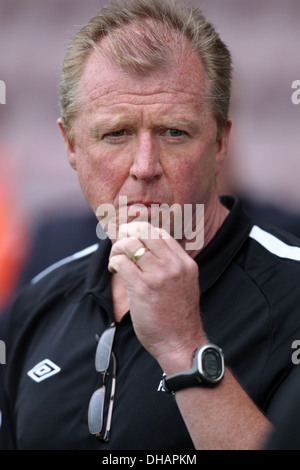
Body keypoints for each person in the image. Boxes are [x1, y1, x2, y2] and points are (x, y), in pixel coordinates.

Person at [1, 0, 300, 450]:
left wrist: (184, 347)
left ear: (220, 143)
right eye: (116, 133)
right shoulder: (38, 303)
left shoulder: (293, 291)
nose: (144, 167)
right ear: (71, 145)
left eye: (173, 132)